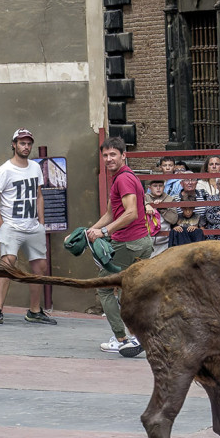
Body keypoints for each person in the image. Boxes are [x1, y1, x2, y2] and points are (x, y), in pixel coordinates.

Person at [86, 137, 153, 357]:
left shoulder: (123, 179)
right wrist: (90, 231)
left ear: (124, 155)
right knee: (129, 292)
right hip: (141, 242)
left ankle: (121, 338)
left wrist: (104, 232)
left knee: (105, 288)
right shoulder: (124, 177)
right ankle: (139, 336)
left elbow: (131, 212)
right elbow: (110, 213)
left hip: (128, 244)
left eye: (113, 154)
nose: (108, 159)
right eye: (105, 155)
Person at [0, 128, 57, 326]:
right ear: (14, 145)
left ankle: (34, 310)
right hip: (12, 226)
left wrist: (41, 223)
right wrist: (1, 224)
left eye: (29, 143)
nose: (26, 147)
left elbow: (39, 195)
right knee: (7, 265)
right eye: (22, 143)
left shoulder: (35, 167)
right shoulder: (5, 170)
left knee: (40, 267)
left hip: (32, 226)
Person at [144, 180, 178, 256]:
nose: (158, 188)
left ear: (164, 187)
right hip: (147, 242)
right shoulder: (144, 198)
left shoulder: (170, 199)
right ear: (149, 188)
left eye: (160, 186)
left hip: (164, 242)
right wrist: (147, 205)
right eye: (155, 186)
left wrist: (162, 207)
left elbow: (173, 220)